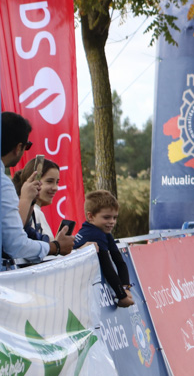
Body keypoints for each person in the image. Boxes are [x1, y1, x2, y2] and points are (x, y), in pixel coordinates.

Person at [1, 111, 74, 267]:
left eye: (57, 182)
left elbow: (21, 231)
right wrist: (57, 247)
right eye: (27, 146)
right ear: (18, 147)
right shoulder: (4, 185)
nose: (54, 188)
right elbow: (16, 244)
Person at [74, 190, 135, 307]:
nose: (112, 222)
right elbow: (108, 268)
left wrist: (126, 287)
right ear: (90, 216)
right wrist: (122, 296)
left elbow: (119, 261)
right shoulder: (95, 234)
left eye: (115, 218)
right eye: (106, 217)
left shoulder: (103, 232)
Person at [11, 156, 60, 242]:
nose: (55, 188)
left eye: (57, 182)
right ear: (32, 181)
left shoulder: (36, 211)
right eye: (49, 181)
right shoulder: (31, 212)